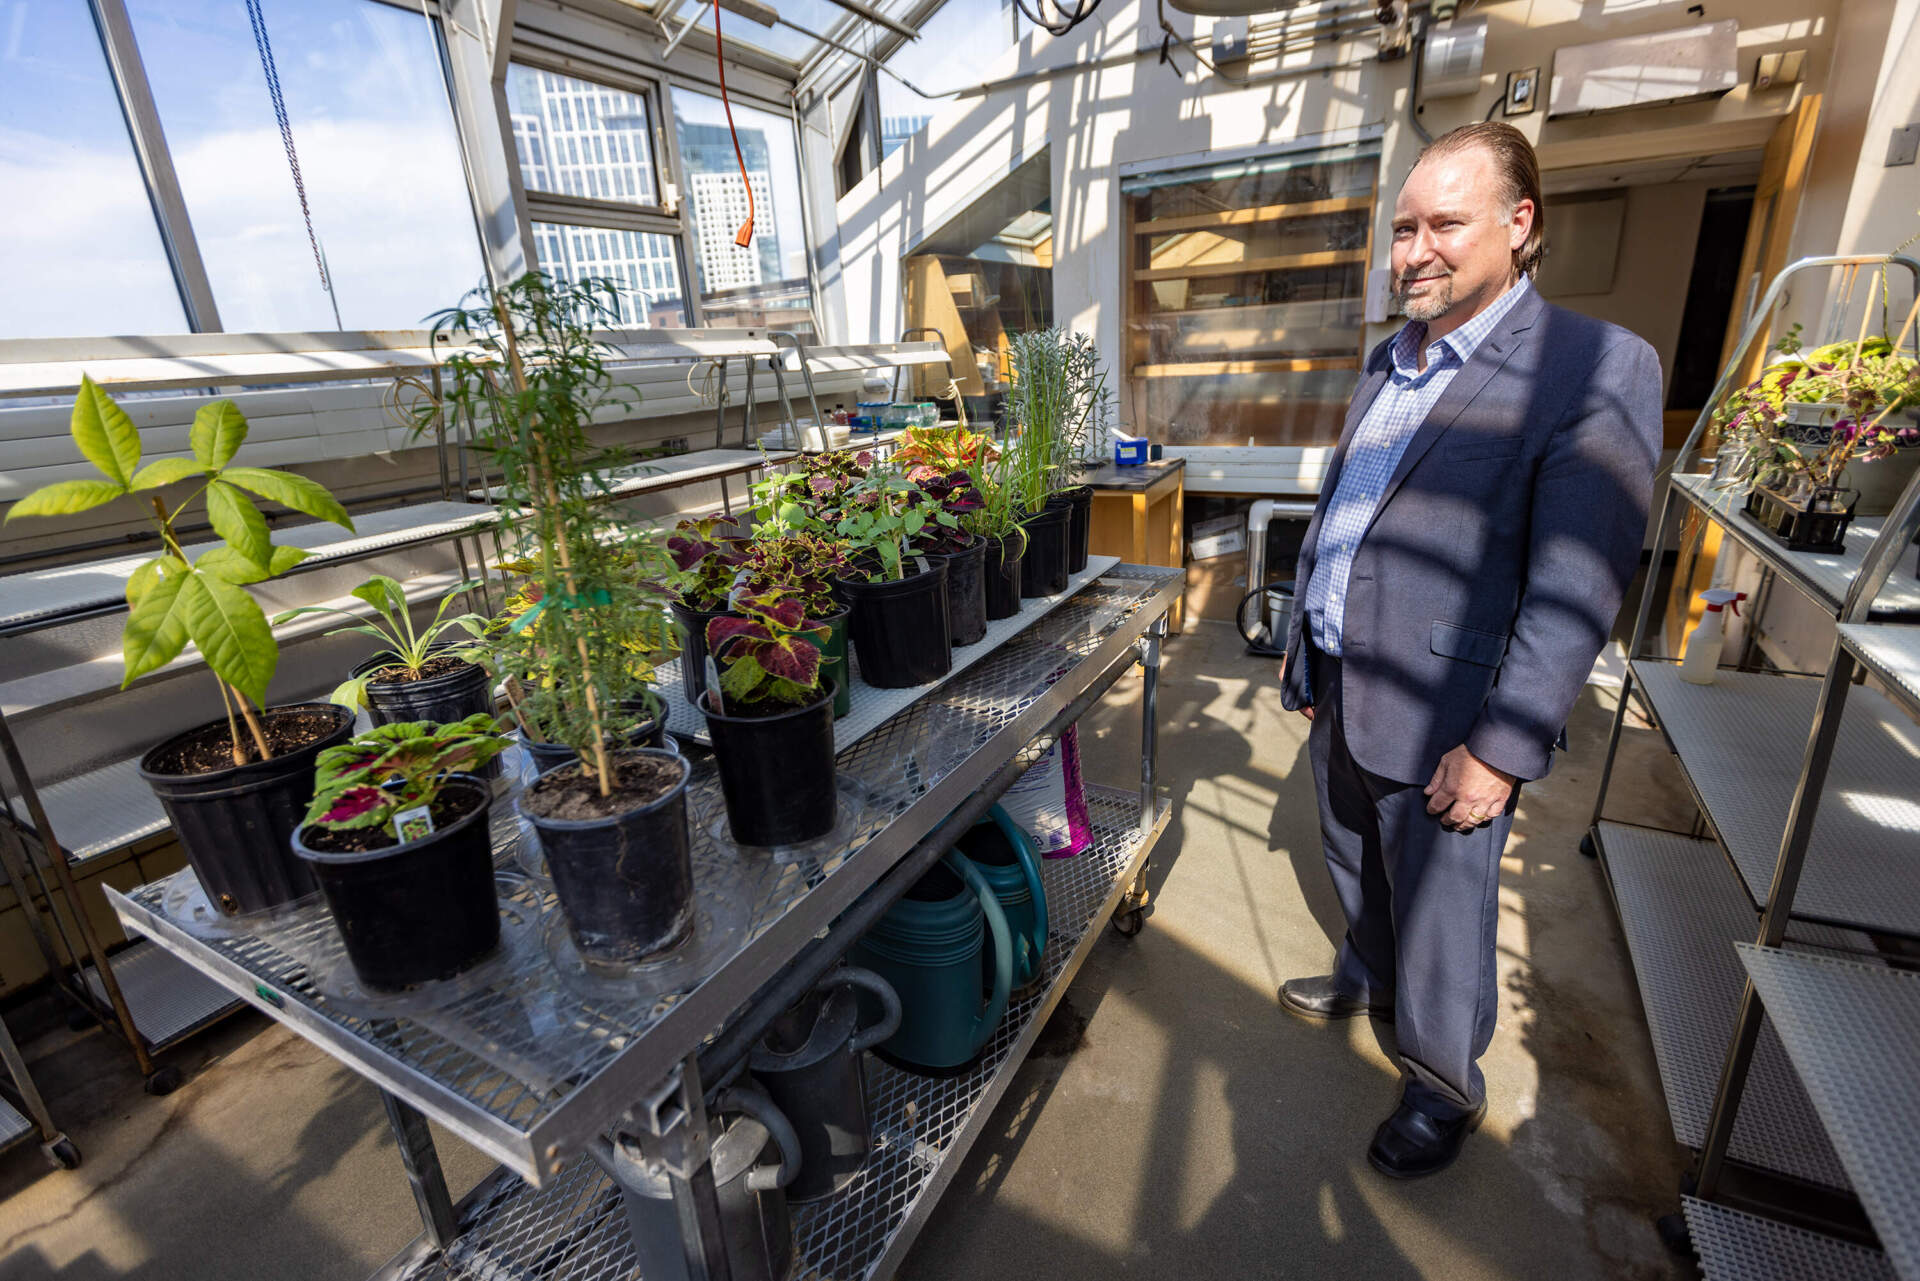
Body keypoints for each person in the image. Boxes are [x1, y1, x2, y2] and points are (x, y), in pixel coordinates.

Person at [1276, 122, 1661, 1178]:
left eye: (1444, 223)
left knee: (1446, 907)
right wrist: (1307, 634)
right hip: (1346, 671)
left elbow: (1579, 583)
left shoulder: (1593, 364)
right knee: (1355, 851)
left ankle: (1442, 1082)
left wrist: (1501, 748)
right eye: (1403, 229)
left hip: (1454, 703)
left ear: (1518, 223)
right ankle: (1371, 972)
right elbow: (1349, 507)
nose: (1414, 251)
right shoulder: (1387, 360)